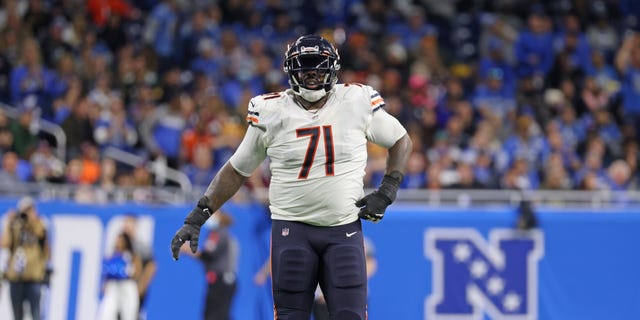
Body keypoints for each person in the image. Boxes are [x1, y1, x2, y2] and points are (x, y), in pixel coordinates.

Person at [171, 34, 412, 319]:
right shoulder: (272, 110)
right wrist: (198, 216)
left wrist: (386, 192)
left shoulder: (355, 100)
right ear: (290, 70)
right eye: (305, 66)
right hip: (292, 231)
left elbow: (400, 140)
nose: (312, 73)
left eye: (318, 66)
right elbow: (237, 169)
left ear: (333, 68)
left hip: (342, 229)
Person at [179, 210, 239, 320]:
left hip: (221, 282)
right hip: (223, 281)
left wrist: (188, 250)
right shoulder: (222, 233)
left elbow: (208, 255)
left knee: (216, 316)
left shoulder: (219, 233)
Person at [0, 196, 51, 320]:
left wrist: (33, 222)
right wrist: (8, 224)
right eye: (25, 210)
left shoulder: (40, 224)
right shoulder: (14, 226)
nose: (27, 214)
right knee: (17, 315)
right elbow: (4, 244)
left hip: (34, 277)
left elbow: (47, 252)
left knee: (36, 314)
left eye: (30, 210)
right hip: (16, 277)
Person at [97, 231, 141, 320]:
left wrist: (125, 273)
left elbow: (137, 272)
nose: (118, 243)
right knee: (107, 312)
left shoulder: (131, 256)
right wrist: (105, 284)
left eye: (121, 241)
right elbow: (106, 273)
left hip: (127, 286)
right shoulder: (112, 256)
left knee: (129, 314)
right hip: (113, 286)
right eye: (117, 240)